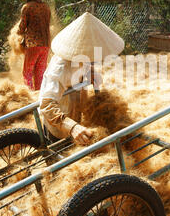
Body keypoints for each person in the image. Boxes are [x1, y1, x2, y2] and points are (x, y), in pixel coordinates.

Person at [38, 12, 124, 145]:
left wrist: (91, 74)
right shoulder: (60, 69)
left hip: (76, 113)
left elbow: (86, 66)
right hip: (59, 125)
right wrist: (72, 127)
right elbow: (46, 105)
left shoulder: (85, 57)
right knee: (58, 154)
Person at [15, 0, 51, 91]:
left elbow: (22, 26)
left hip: (32, 44)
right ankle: (39, 96)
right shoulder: (46, 8)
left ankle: (29, 96)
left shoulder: (27, 7)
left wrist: (18, 32)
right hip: (45, 44)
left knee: (27, 72)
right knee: (40, 72)